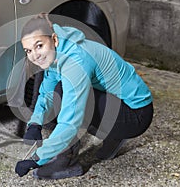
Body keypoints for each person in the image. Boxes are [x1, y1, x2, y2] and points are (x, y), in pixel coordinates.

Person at [15, 13, 154, 180]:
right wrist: (35, 123)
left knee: (65, 95)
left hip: (136, 113)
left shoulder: (76, 61)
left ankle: (67, 163)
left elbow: (70, 121)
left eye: (39, 46)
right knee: (58, 91)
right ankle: (113, 134)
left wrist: (36, 159)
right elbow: (46, 93)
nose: (34, 56)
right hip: (118, 102)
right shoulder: (57, 51)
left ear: (54, 40)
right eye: (28, 50)